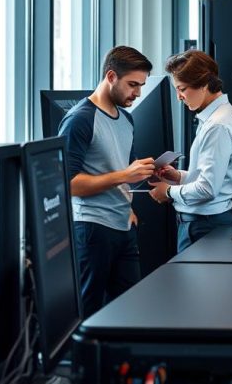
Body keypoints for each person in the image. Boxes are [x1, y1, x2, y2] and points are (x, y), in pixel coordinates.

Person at [58, 45, 157, 317]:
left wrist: (130, 203)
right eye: (132, 85)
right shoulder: (79, 120)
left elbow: (121, 170)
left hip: (123, 226)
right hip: (92, 228)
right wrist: (124, 176)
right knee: (88, 311)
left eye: (141, 86)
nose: (137, 93)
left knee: (129, 309)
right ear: (111, 76)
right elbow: (67, 184)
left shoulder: (126, 119)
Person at [148, 50, 232, 252]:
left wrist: (168, 191)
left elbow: (207, 189)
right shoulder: (215, 117)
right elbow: (209, 177)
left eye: (181, 88)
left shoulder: (217, 125)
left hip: (204, 226)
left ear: (203, 83)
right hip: (205, 224)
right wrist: (180, 176)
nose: (179, 97)